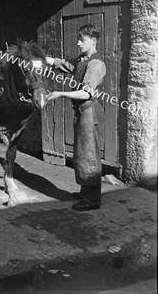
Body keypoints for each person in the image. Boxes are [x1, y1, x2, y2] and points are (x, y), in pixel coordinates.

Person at [45, 24, 106, 211]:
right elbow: (63, 64)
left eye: (82, 40)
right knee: (81, 152)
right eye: (78, 39)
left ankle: (92, 200)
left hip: (89, 110)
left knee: (89, 154)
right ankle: (86, 192)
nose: (78, 43)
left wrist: (60, 94)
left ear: (93, 41)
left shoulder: (96, 64)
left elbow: (86, 93)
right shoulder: (83, 60)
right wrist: (39, 58)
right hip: (82, 111)